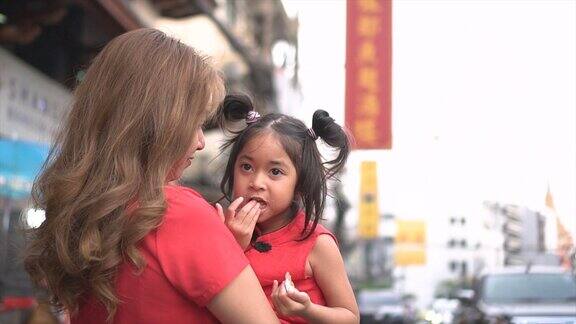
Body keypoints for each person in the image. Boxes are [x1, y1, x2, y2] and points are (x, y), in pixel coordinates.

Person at [23, 29, 279, 324]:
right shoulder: (175, 213)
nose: (200, 141)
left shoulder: (85, 216)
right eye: (194, 124)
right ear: (158, 125)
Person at [214, 94, 360, 323]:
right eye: (246, 167)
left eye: (275, 172)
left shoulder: (317, 243)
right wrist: (233, 246)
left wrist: (307, 310)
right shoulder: (219, 228)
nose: (256, 182)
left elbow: (350, 317)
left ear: (300, 184)